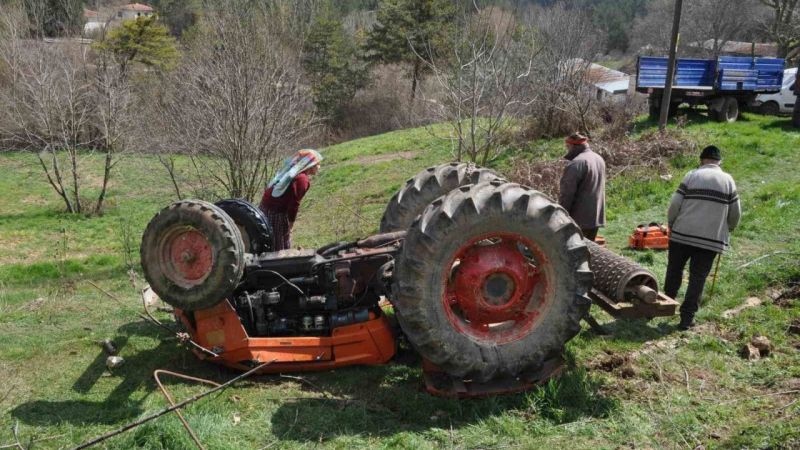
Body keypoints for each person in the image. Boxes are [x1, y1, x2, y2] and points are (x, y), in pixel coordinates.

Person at [665, 145, 741, 330]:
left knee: (675, 270)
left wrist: (671, 223)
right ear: (719, 162)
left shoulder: (692, 175)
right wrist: (728, 228)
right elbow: (735, 214)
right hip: (710, 240)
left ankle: (665, 305)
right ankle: (686, 319)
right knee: (698, 278)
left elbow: (675, 203)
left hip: (682, 234)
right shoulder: (728, 181)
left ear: (702, 160)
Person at [259, 149, 323, 251]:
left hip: (266, 208)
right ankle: (278, 264)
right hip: (276, 213)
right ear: (310, 165)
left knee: (270, 240)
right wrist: (291, 223)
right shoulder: (302, 179)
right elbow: (294, 204)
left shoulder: (293, 173)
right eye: (317, 164)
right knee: (279, 246)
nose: (319, 167)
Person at [558, 132, 606, 240]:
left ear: (573, 146)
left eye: (567, 147)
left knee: (573, 253)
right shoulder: (598, 158)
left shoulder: (576, 163)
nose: (567, 150)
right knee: (588, 252)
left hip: (579, 220)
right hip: (596, 217)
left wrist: (561, 216)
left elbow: (567, 194)